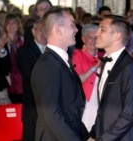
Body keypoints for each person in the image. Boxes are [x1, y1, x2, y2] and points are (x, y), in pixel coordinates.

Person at [31, 6, 89, 141]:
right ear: (58, 29)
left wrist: (86, 136)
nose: (76, 29)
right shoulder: (47, 66)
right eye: (72, 25)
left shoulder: (60, 61)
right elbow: (52, 115)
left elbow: (70, 111)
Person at [89, 15, 133, 141]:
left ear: (117, 36)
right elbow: (104, 108)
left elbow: (129, 114)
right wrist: (93, 134)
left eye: (102, 29)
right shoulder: (105, 63)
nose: (96, 33)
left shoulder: (130, 67)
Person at [17, 19, 47, 141]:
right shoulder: (24, 51)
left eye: (46, 30)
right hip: (33, 106)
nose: (44, 33)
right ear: (34, 31)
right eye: (41, 30)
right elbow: (29, 75)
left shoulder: (55, 50)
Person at [72, 24, 101, 132]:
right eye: (90, 37)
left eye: (96, 37)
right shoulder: (77, 55)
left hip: (102, 103)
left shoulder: (104, 55)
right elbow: (78, 80)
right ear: (83, 39)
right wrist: (96, 67)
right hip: (87, 104)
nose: (93, 40)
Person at [2, 13, 24, 103]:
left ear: (18, 25)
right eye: (8, 23)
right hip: (8, 81)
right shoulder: (0, 41)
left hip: (23, 81)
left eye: (14, 23)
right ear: (5, 25)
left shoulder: (23, 40)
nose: (11, 25)